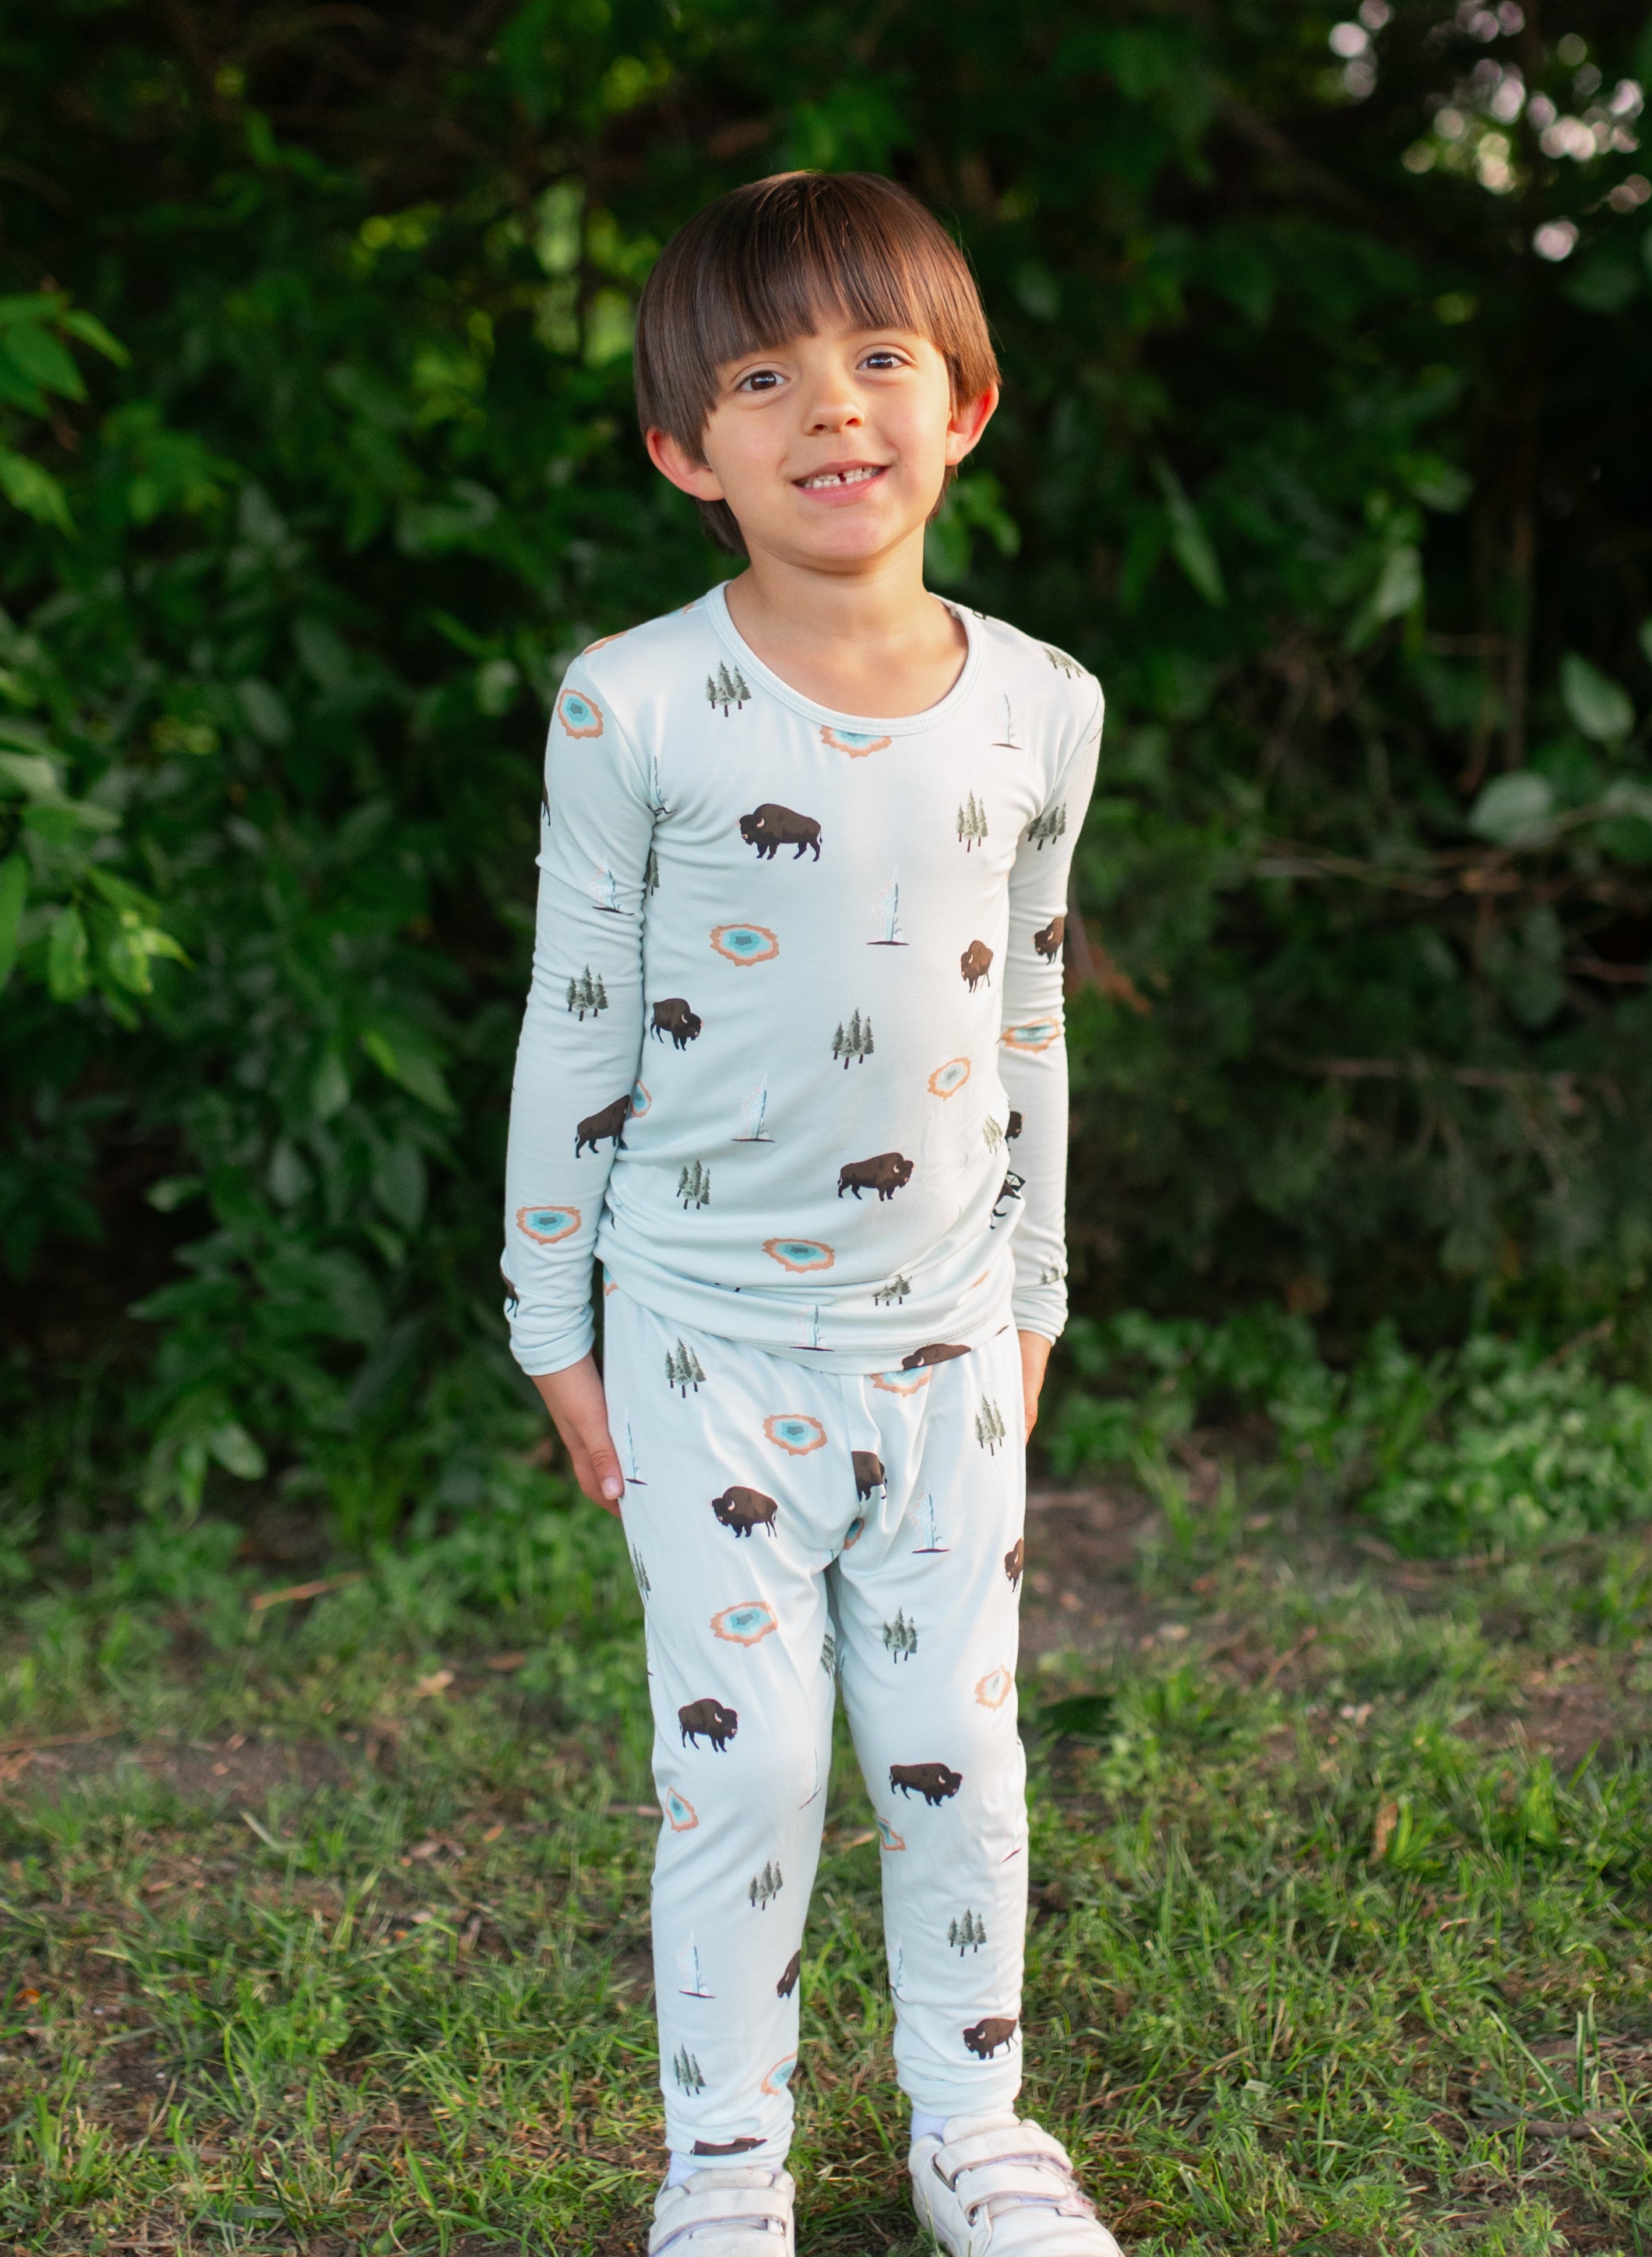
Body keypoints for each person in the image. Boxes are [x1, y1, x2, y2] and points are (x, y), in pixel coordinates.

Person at [500, 170, 1115, 2257]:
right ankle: (727, 2168)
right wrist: (551, 1324)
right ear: (688, 450)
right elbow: (572, 1024)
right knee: (749, 1769)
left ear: (966, 405)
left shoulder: (1041, 704)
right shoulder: (638, 702)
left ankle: (974, 2128)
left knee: (956, 1747)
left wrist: (1032, 1295)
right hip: (697, 1343)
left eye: (878, 356)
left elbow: (1024, 1010)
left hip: (948, 1335)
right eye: (763, 375)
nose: (829, 406)